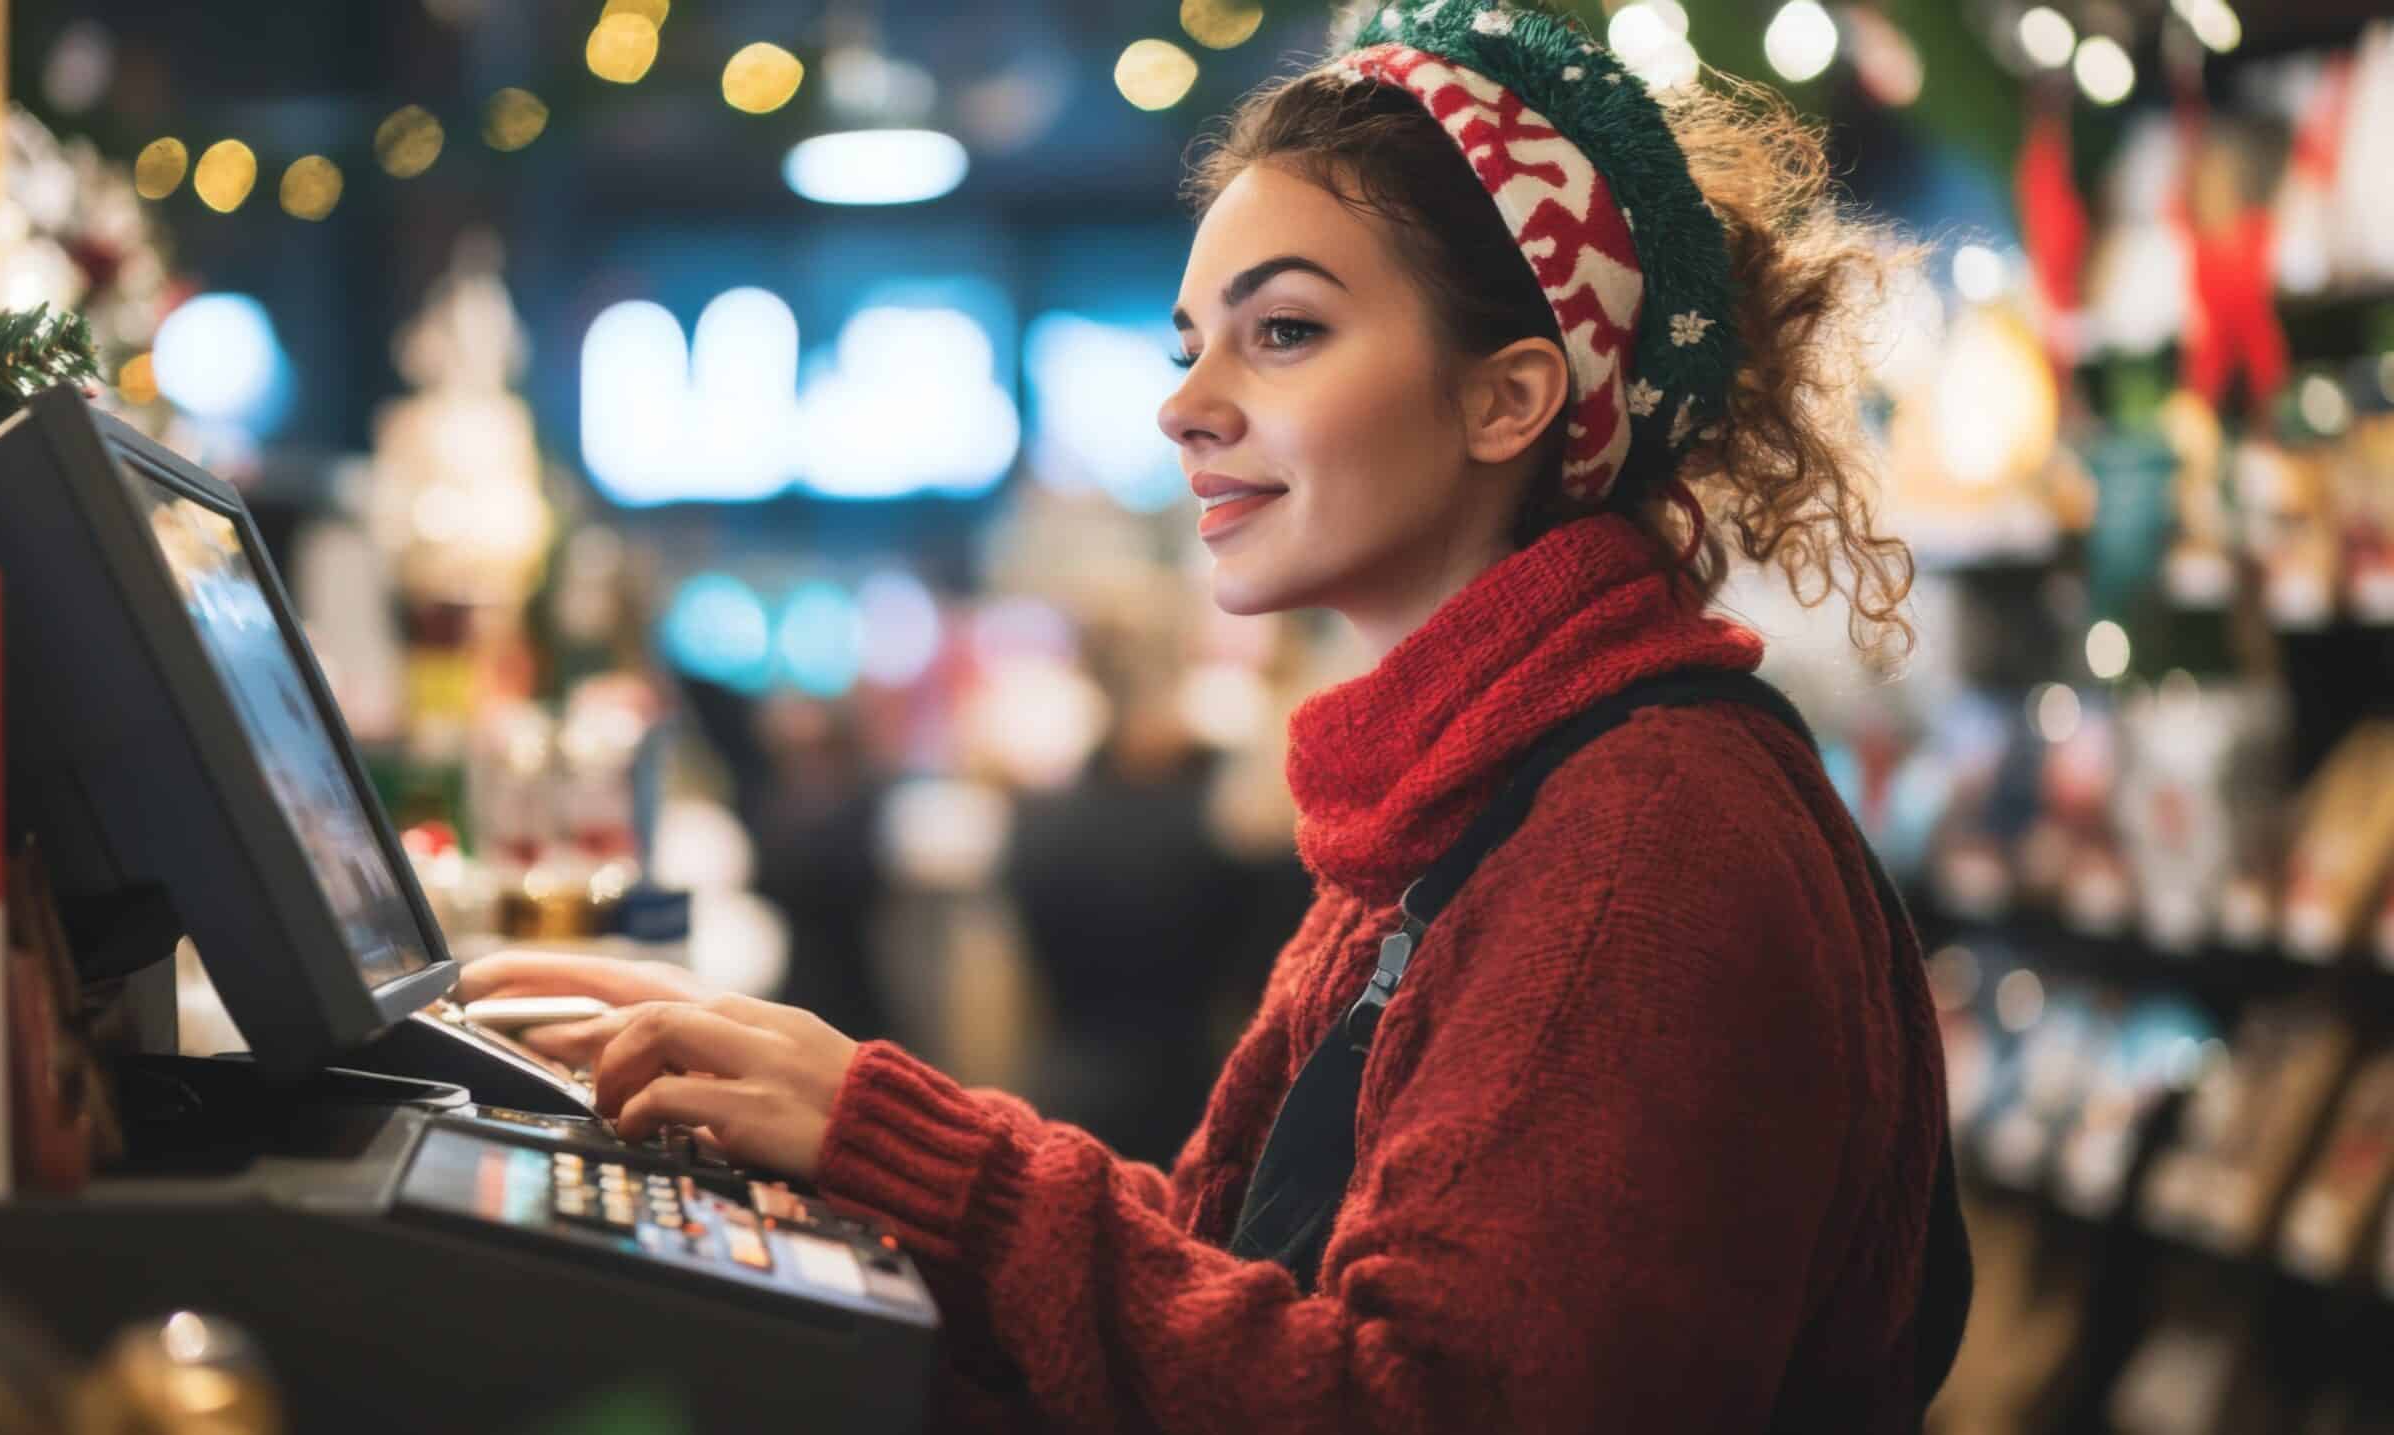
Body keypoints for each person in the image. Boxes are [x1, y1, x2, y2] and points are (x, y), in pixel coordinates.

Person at [460, 3, 1957, 1427]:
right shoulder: (1472, 788)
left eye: (1284, 332)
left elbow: (1415, 1409)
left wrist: (897, 1146)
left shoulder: (1645, 838)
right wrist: (828, 1134)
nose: (1185, 406)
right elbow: (1221, 1273)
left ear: (1510, 399)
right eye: (1190, 347)